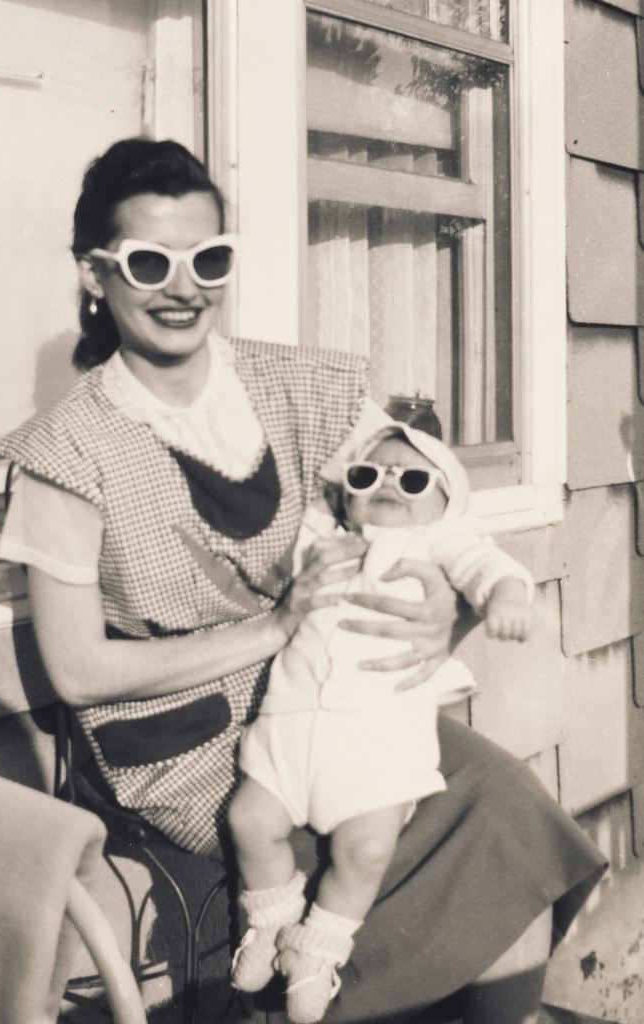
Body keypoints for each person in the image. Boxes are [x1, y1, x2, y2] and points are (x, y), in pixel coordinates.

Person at [0, 137, 606, 1024]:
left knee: (503, 801)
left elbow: (430, 510)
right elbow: (79, 672)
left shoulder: (300, 387)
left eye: (207, 259)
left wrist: (449, 615)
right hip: (186, 739)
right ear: (96, 273)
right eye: (149, 263)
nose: (183, 288)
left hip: (339, 699)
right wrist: (273, 628)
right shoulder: (66, 452)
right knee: (334, 850)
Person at [228, 421, 534, 1023]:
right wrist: (336, 492)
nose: (388, 486)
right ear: (345, 498)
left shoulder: (436, 542)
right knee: (249, 819)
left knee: (367, 849)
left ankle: (318, 947)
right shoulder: (323, 539)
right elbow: (300, 500)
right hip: (290, 727)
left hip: (377, 740)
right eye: (367, 476)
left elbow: (486, 563)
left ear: (446, 503)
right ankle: (271, 922)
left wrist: (506, 596)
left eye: (413, 480)